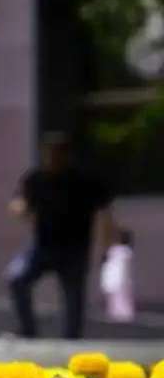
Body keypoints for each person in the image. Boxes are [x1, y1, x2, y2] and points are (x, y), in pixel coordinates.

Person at [7, 134, 115, 339]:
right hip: (43, 247)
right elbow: (20, 201)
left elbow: (105, 213)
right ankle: (28, 329)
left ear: (67, 156)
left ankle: (72, 338)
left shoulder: (84, 180)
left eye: (57, 155)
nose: (52, 160)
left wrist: (107, 246)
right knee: (16, 278)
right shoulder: (36, 179)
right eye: (49, 154)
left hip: (74, 249)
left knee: (74, 296)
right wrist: (19, 208)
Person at [100, 229, 134, 322]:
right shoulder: (126, 252)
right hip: (119, 278)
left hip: (114, 278)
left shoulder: (114, 250)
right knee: (121, 297)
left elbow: (106, 263)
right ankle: (121, 314)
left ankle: (117, 313)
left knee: (117, 297)